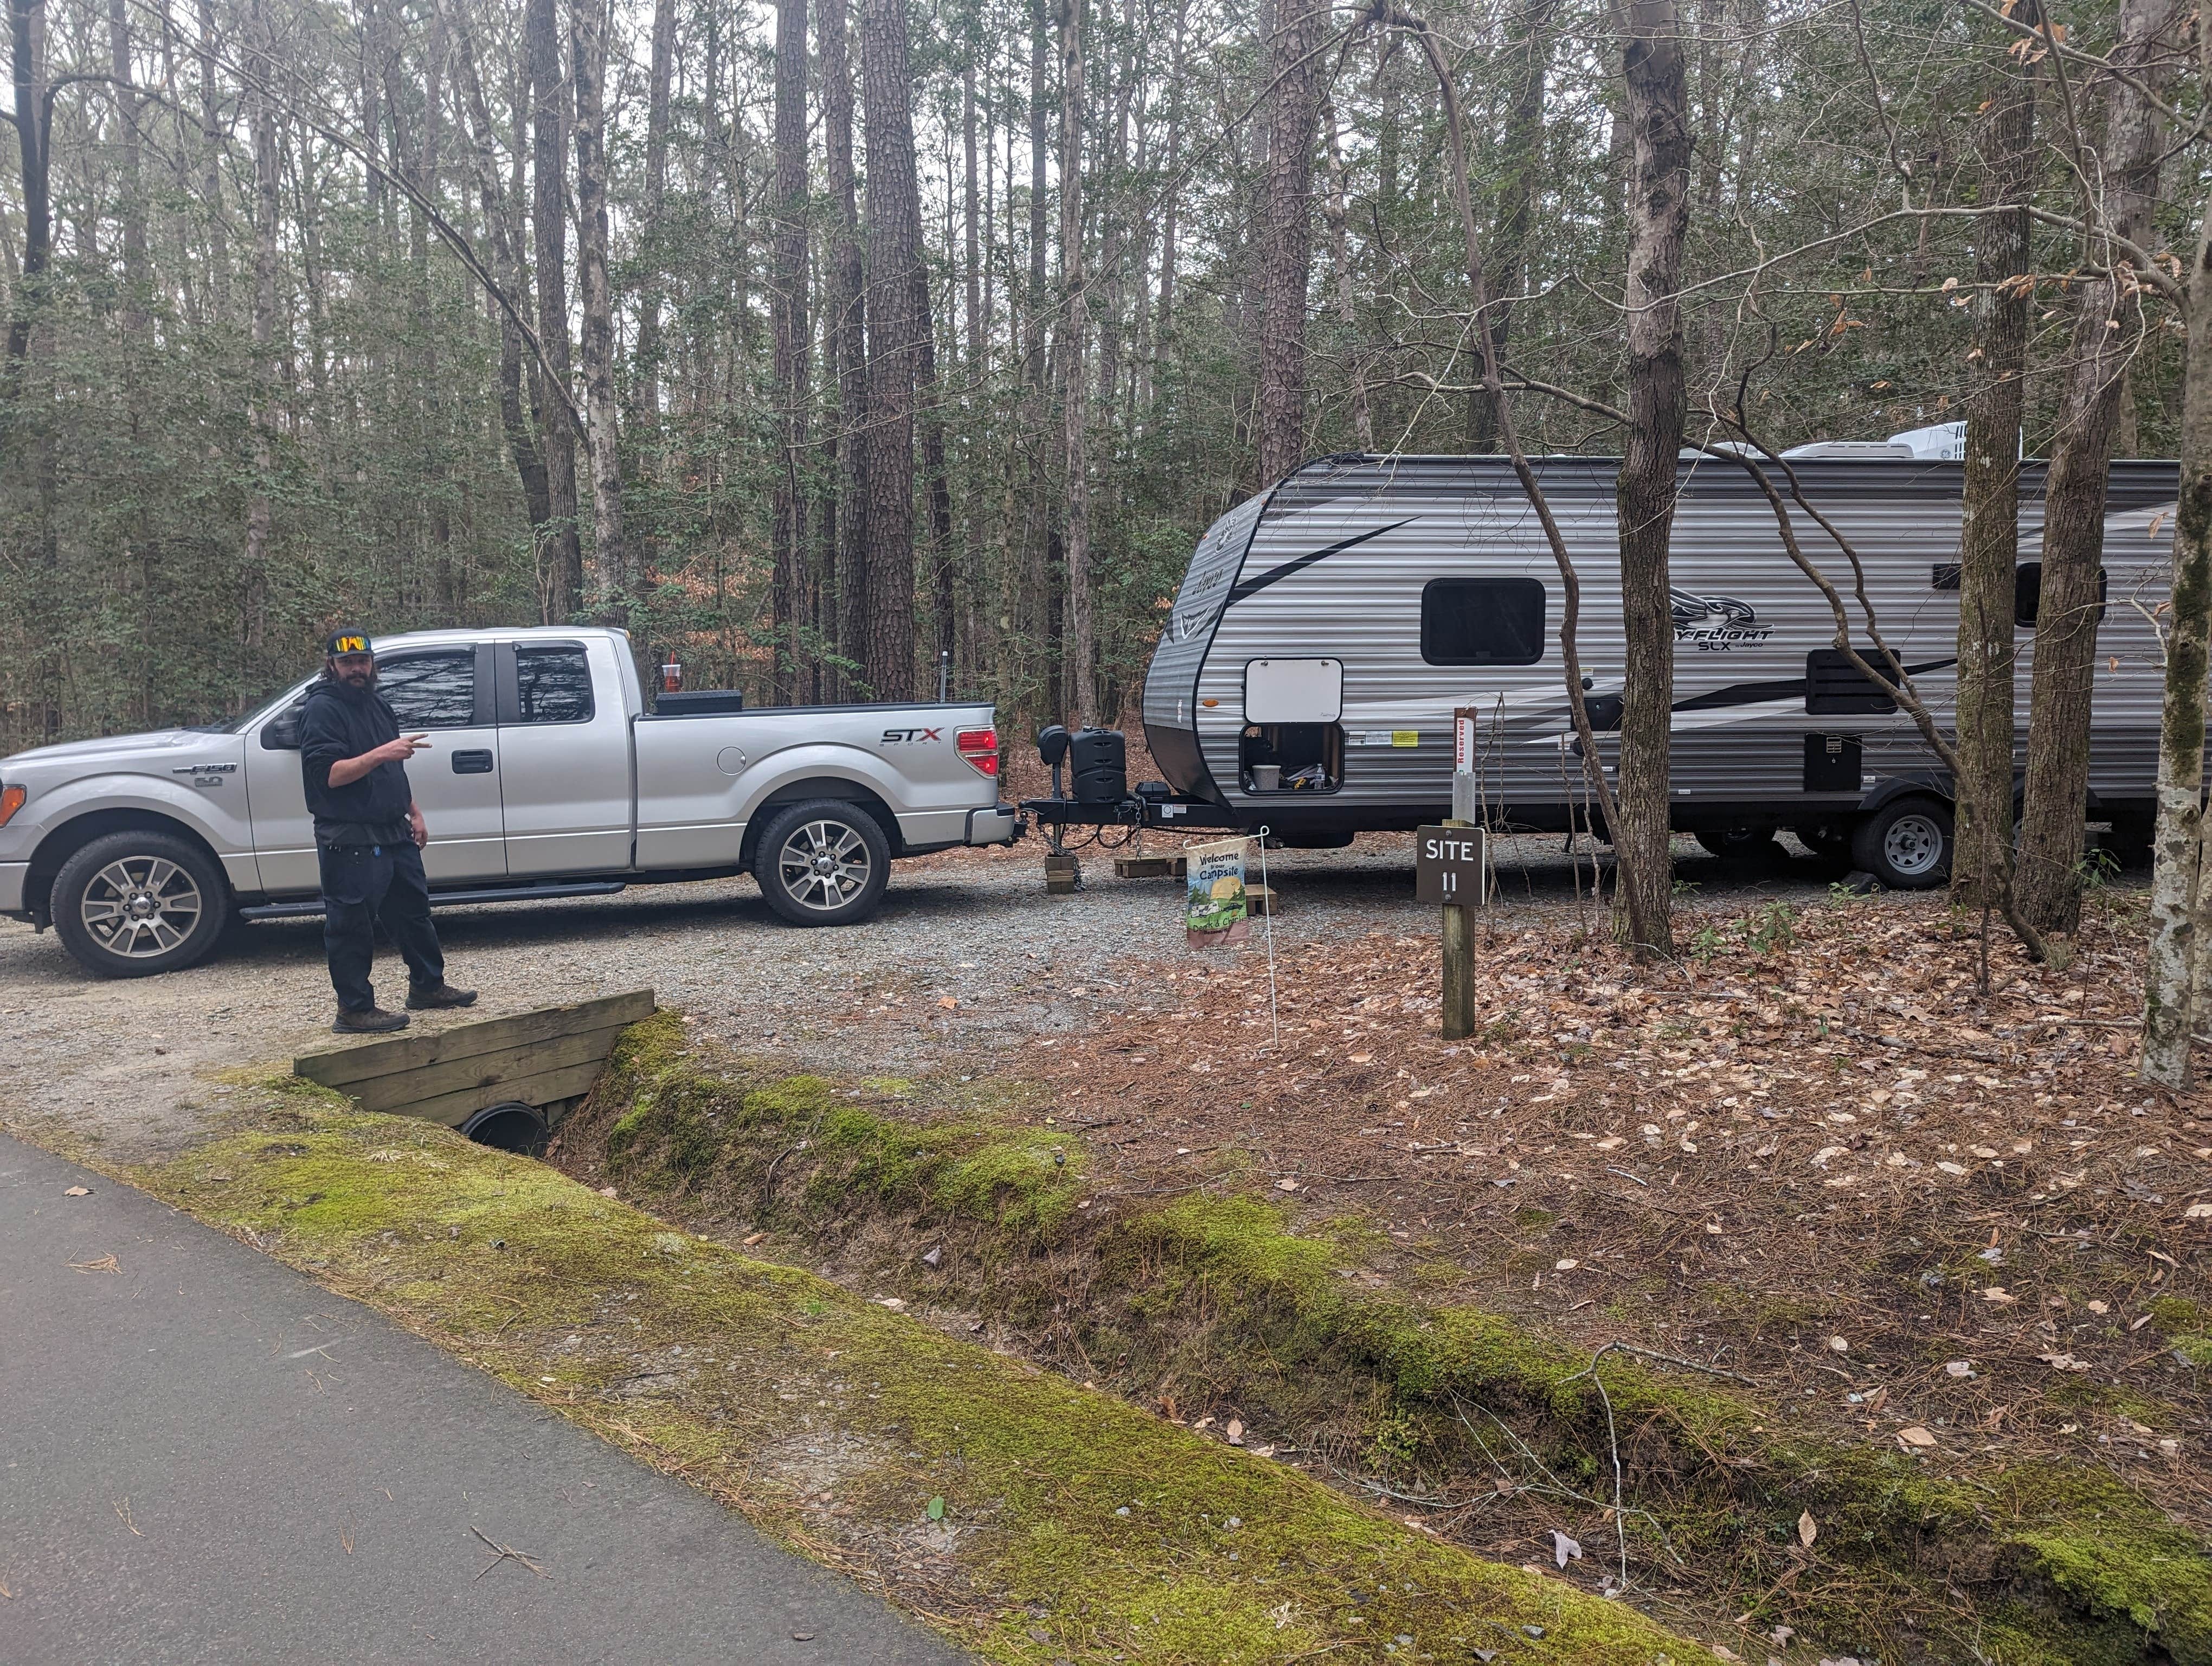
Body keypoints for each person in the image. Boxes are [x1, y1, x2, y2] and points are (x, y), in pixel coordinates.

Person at [299, 629, 477, 1033]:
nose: (357, 669)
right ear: (332, 666)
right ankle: (354, 1009)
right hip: (349, 836)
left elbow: (392, 768)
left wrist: (413, 811)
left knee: (413, 914)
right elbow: (330, 775)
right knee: (350, 925)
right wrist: (383, 752)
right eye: (347, 663)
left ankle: (428, 987)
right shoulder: (322, 709)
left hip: (393, 830)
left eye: (362, 661)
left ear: (372, 663)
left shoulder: (377, 704)